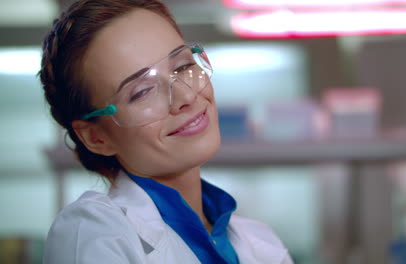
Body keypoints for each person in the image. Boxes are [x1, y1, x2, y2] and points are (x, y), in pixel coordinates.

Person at [39, 0, 293, 263]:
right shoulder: (93, 233)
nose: (185, 95)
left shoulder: (262, 244)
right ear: (96, 137)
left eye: (183, 66)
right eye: (142, 92)